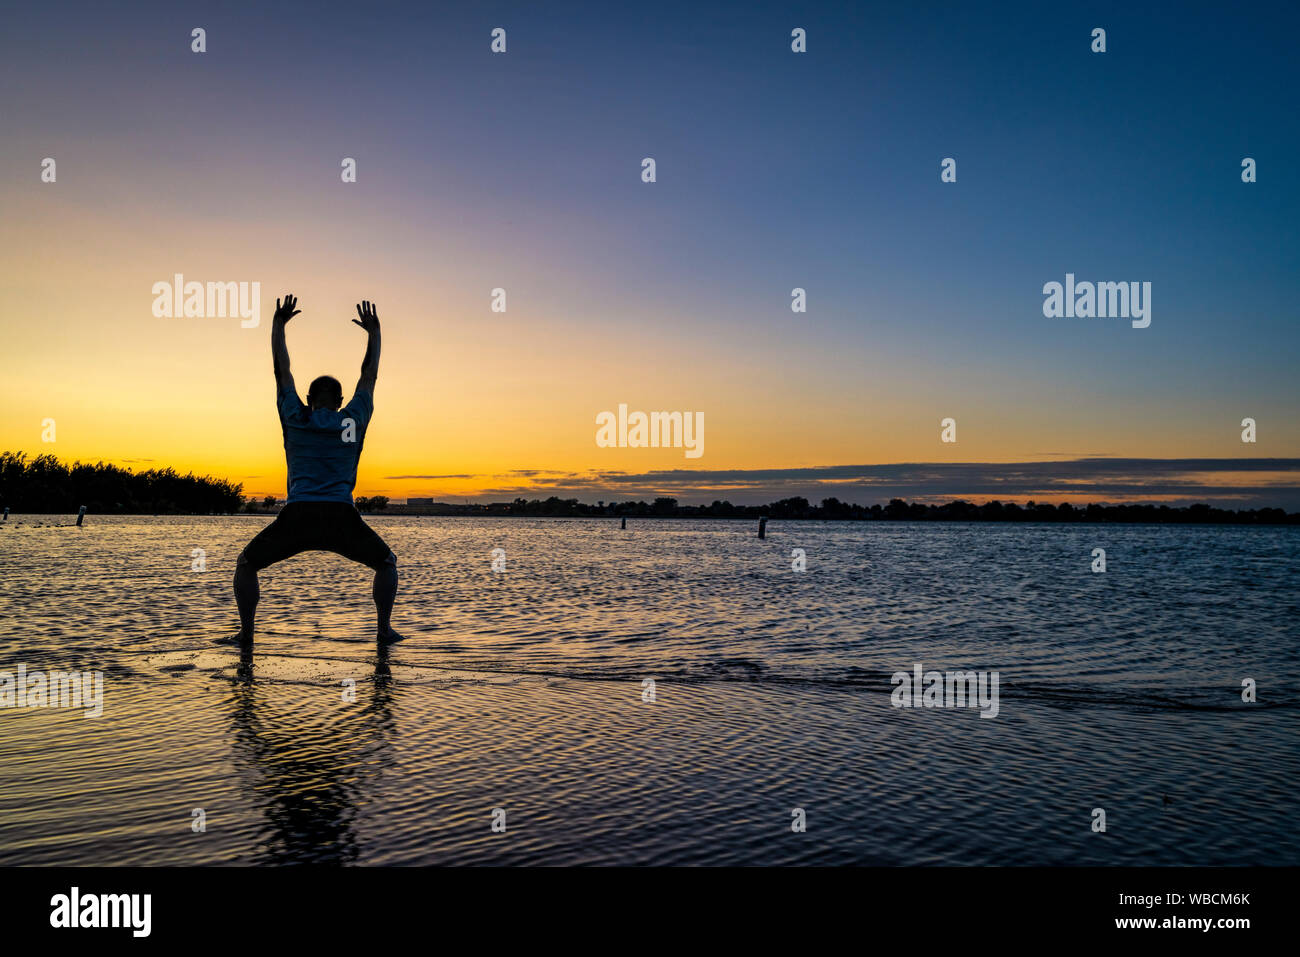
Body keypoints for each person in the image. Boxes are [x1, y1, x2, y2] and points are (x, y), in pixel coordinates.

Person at [222, 294, 402, 645]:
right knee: (387, 563)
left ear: (308, 399)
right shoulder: (352, 419)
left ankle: (246, 634)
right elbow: (369, 375)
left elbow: (281, 370)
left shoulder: (295, 416)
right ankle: (383, 631)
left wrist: (278, 325)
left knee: (246, 564)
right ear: (339, 401)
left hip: (299, 514)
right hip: (340, 516)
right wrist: (374, 333)